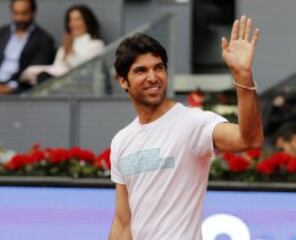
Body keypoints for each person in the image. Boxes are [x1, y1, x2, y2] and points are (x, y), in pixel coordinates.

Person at [109, 15, 264, 240]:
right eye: (141, 71)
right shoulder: (121, 140)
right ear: (123, 81)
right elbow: (123, 224)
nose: (153, 77)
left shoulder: (193, 123)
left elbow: (248, 140)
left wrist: (243, 76)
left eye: (158, 68)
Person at [20, 4, 105, 86]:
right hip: (59, 84)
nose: (73, 24)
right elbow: (56, 68)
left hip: (78, 86)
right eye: (70, 20)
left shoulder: (96, 44)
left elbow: (83, 71)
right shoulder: (65, 44)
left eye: (78, 19)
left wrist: (69, 51)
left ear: (87, 21)